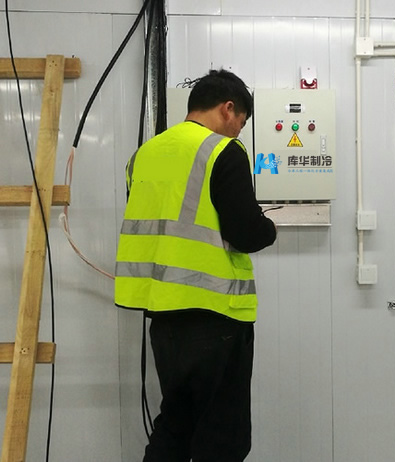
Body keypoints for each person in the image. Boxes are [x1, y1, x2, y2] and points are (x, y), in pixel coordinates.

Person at [114, 69, 277, 462]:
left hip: (164, 319)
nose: (238, 131)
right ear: (228, 108)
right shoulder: (223, 151)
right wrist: (268, 228)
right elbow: (245, 233)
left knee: (176, 424)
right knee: (223, 439)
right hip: (216, 316)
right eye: (241, 122)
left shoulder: (143, 156)